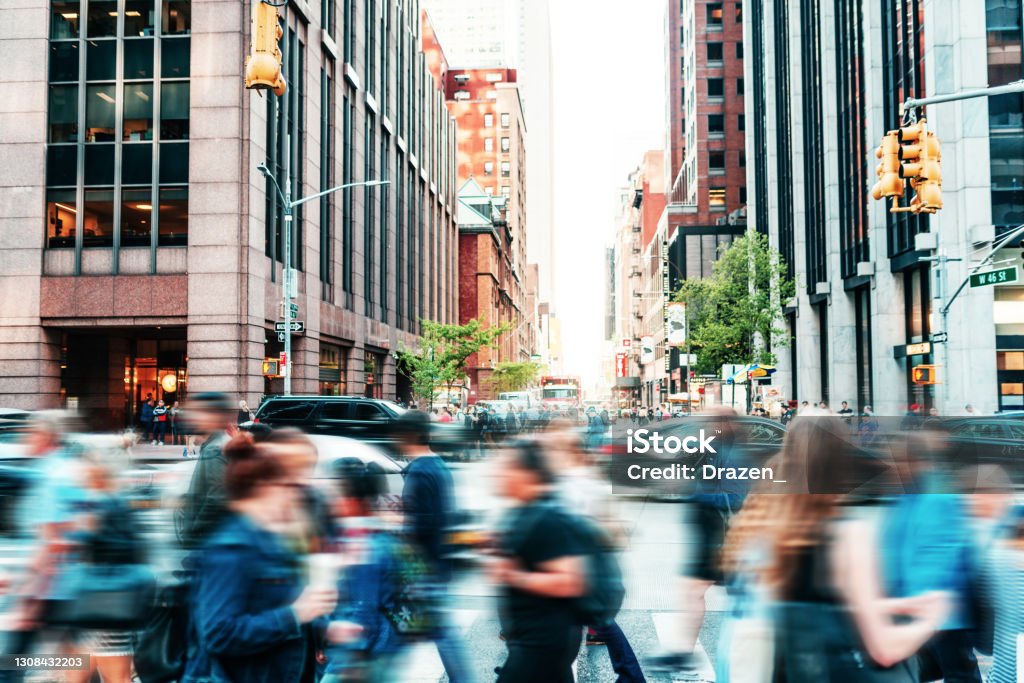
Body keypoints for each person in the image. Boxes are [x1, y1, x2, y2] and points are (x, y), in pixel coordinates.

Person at [721, 414, 951, 681]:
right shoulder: (846, 534)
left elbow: (810, 605)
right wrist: (932, 620)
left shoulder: (761, 524)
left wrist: (895, 606)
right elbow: (884, 649)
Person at [191, 432, 337, 682]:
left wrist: (323, 628)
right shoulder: (233, 547)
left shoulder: (272, 538)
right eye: (289, 485)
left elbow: (289, 602)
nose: (298, 493)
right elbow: (218, 634)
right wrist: (295, 615)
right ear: (264, 486)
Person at [646, 408, 752, 674]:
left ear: (725, 425)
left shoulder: (734, 457)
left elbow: (733, 499)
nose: (707, 426)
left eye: (713, 422)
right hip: (709, 534)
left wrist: (694, 493)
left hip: (720, 537)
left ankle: (687, 652)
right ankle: (683, 651)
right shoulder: (712, 450)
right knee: (695, 592)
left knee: (709, 593)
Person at [880, 429, 983, 682]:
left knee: (958, 674)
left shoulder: (938, 495)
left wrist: (927, 606)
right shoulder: (905, 496)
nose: (891, 467)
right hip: (914, 609)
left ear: (916, 462)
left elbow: (945, 552)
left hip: (941, 615)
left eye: (897, 461)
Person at [549, 428, 645, 682]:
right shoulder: (581, 479)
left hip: (583, 565)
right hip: (588, 564)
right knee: (596, 620)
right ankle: (631, 674)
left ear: (566, 452)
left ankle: (631, 674)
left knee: (593, 620)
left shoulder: (572, 483)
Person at [490, 441, 586, 682]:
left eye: (507, 467)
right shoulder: (524, 511)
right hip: (537, 638)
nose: (498, 473)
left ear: (529, 475)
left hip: (542, 641)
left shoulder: (544, 517)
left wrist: (512, 575)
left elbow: (569, 581)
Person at [1, 411, 87, 682]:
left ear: (46, 437)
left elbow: (53, 543)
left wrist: (30, 600)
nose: (24, 439)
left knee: (11, 663)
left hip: (49, 588)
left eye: (30, 433)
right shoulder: (67, 469)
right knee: (71, 654)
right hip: (68, 584)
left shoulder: (51, 476)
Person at [396, 411, 472, 682]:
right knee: (429, 630)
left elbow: (418, 525)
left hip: (424, 567)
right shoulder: (439, 465)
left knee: (438, 632)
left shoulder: (418, 472)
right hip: (438, 561)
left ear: (409, 435)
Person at [67, 443, 146, 683]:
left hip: (103, 605)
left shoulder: (101, 505)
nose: (80, 470)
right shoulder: (116, 502)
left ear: (98, 471)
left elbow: (82, 544)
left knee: (114, 677)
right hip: (107, 604)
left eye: (86, 465)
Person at [323, 460, 406, 682]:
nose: (333, 502)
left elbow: (363, 607)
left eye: (337, 495)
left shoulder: (365, 544)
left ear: (353, 501)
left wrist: (351, 658)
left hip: (364, 656)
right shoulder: (377, 535)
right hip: (380, 648)